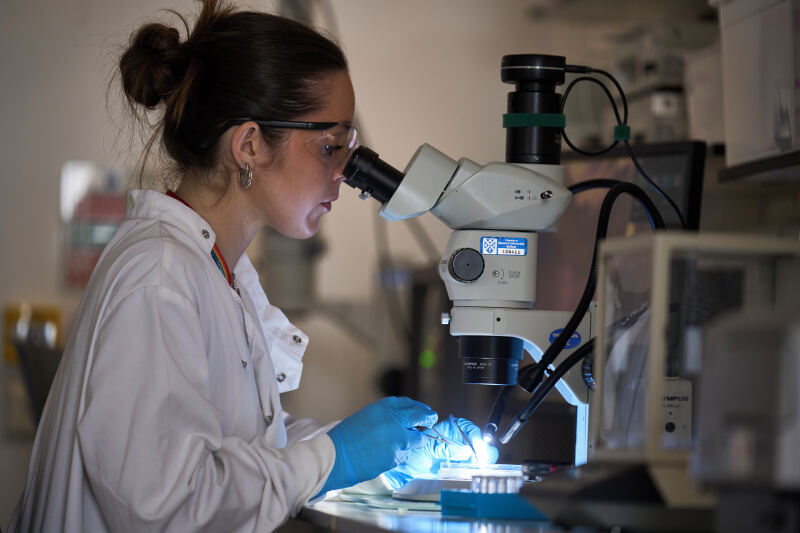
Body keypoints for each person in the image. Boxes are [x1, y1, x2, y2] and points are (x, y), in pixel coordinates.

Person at [8, 1, 496, 532]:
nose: (343, 175)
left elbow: (245, 447)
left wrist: (381, 456)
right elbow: (168, 507)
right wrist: (338, 455)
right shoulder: (160, 276)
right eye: (331, 146)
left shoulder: (217, 268)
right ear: (249, 145)